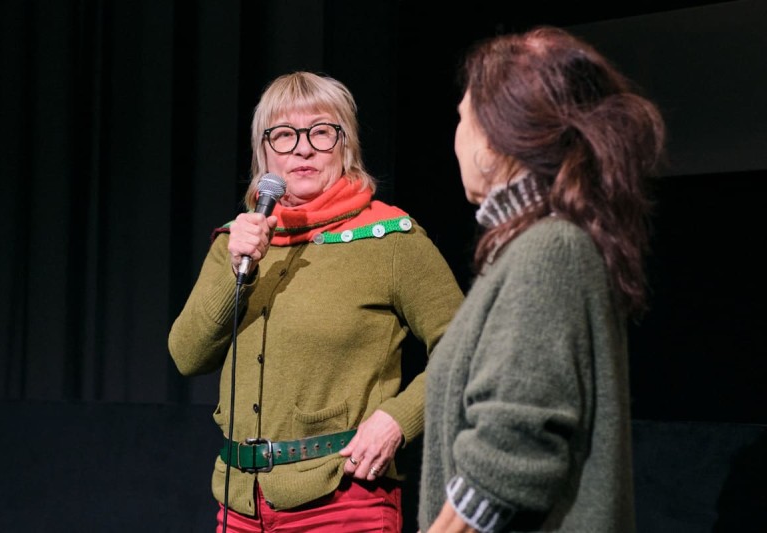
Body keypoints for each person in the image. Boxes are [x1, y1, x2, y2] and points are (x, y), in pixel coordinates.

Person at [168, 71, 464, 533]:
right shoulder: (239, 241)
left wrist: (397, 420)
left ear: (346, 146)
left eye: (321, 132)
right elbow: (187, 356)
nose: (302, 149)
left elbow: (467, 349)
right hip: (240, 504)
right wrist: (236, 268)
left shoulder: (390, 240)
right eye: (284, 135)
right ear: (264, 152)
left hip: (342, 500)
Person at [417, 26, 666, 532]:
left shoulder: (548, 250)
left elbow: (508, 452)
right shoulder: (526, 248)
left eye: (463, 118)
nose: (456, 137)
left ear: (497, 136)